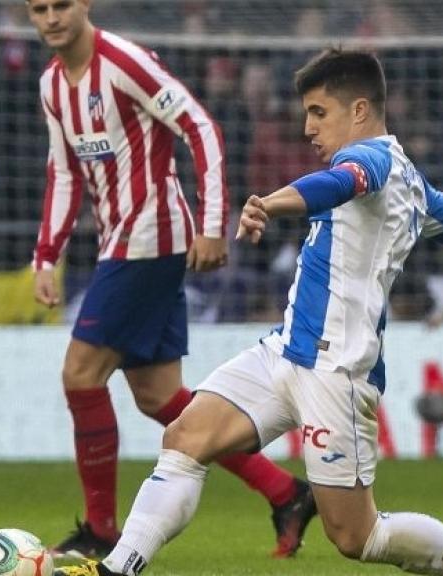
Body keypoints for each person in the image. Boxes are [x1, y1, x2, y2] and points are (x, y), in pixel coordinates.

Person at [56, 49, 443, 576]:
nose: (307, 127)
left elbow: (339, 184)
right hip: (287, 351)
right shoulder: (416, 188)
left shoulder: (373, 163)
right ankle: (118, 567)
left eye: (319, 112)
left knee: (357, 536)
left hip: (335, 372)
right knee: (185, 437)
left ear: (359, 111)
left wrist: (270, 203)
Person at [25, 0, 316, 560]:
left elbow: (199, 127)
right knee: (159, 397)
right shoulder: (52, 86)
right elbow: (64, 172)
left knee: (80, 375)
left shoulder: (126, 62)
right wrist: (46, 255)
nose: (52, 17)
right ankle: (286, 493)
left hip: (153, 237)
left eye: (61, 5)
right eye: (39, 9)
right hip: (120, 242)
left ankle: (101, 532)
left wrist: (213, 224)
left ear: (83, 5)